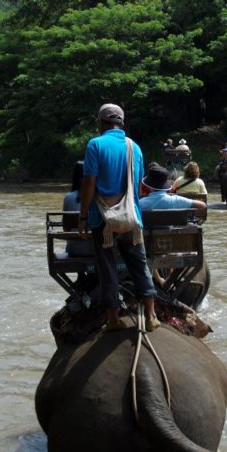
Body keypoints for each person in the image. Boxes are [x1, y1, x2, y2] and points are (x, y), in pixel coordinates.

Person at [78, 103, 160, 333]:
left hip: (103, 221)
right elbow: (138, 183)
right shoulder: (134, 147)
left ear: (100, 123)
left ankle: (113, 319)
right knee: (140, 265)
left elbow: (89, 182)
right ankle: (152, 315)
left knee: (107, 269)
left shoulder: (95, 144)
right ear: (121, 123)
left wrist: (83, 217)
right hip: (132, 220)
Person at [139, 164, 208, 289]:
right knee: (168, 241)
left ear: (149, 187)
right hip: (170, 244)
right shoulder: (175, 200)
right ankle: (170, 276)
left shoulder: (140, 204)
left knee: (148, 247)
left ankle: (158, 278)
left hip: (147, 245)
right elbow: (202, 206)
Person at [62, 161, 92, 258]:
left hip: (74, 249)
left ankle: (81, 274)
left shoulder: (68, 198)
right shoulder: (98, 197)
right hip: (96, 249)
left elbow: (66, 228)